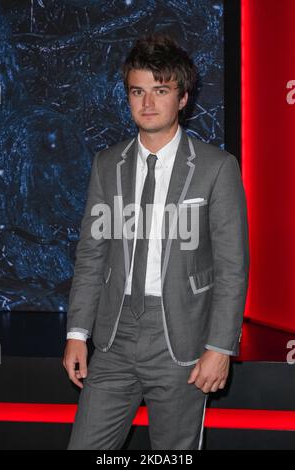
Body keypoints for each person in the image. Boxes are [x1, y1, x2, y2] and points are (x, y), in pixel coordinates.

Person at [63, 32, 249, 450]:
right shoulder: (107, 164)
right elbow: (93, 252)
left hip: (182, 336)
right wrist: (77, 331)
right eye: (137, 91)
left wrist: (220, 346)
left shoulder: (216, 168)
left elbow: (232, 265)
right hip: (114, 334)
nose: (147, 103)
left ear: (182, 98)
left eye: (160, 90)